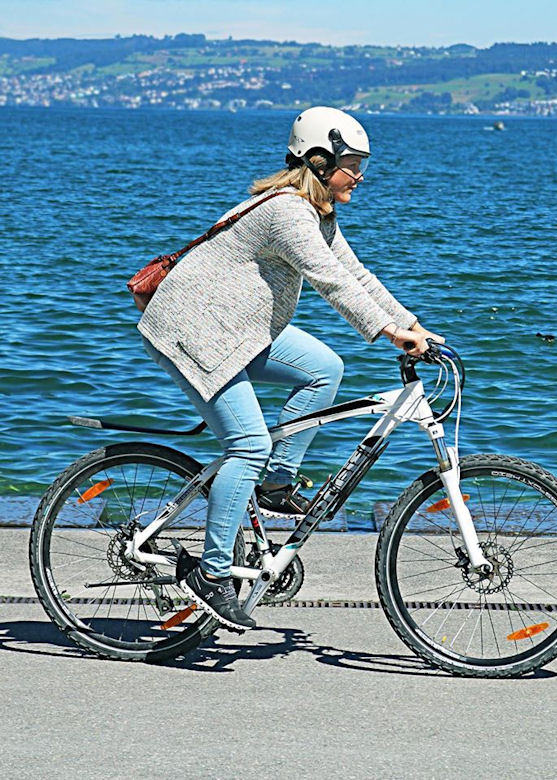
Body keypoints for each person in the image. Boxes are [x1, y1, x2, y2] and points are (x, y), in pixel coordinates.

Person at [138, 106, 443, 631]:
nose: (361, 176)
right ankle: (211, 576)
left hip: (240, 328)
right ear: (321, 162)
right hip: (194, 333)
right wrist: (393, 335)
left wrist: (414, 324)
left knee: (325, 367)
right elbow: (333, 284)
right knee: (248, 444)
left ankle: (274, 485)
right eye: (354, 164)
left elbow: (356, 274)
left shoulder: (317, 212)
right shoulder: (287, 213)